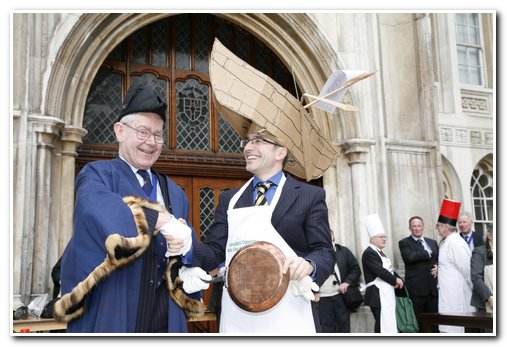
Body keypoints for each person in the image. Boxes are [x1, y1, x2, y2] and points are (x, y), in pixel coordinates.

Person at [59, 84, 204, 333]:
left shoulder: (175, 193)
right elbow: (96, 210)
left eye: (158, 135)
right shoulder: (97, 175)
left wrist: (188, 254)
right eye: (143, 132)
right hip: (113, 310)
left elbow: (187, 247)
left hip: (164, 315)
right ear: (120, 132)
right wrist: (156, 219)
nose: (151, 142)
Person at [188, 124, 335, 333]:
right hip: (239, 316)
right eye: (247, 141)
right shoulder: (230, 199)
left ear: (280, 152)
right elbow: (214, 252)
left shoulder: (309, 196)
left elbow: (324, 250)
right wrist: (186, 244)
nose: (248, 147)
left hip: (290, 312)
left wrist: (310, 265)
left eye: (257, 140)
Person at [436, 199, 474, 333]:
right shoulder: (447, 241)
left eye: (438, 225)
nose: (437, 228)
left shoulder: (456, 243)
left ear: (446, 227)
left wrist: (474, 292)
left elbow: (467, 269)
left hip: (457, 296)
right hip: (447, 294)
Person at [361, 214, 403, 333]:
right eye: (381, 237)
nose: (384, 239)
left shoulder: (380, 253)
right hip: (377, 294)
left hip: (385, 293)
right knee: (381, 324)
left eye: (385, 237)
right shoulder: (369, 253)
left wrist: (399, 279)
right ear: (372, 239)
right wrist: (395, 280)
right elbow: (380, 272)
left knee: (387, 323)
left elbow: (389, 270)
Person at [398, 216, 439, 332]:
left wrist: (439, 267)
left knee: (434, 323)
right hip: (416, 290)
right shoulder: (404, 243)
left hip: (433, 290)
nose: (417, 228)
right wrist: (428, 252)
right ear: (409, 228)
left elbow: (440, 259)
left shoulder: (433, 242)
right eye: (414, 226)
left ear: (423, 226)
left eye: (419, 225)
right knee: (419, 324)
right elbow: (410, 257)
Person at [318, 232, 362, 333]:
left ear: (333, 237)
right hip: (322, 298)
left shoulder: (344, 251)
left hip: (340, 295)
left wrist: (347, 282)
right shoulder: (315, 253)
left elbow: (355, 269)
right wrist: (314, 292)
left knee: (344, 324)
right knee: (326, 327)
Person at [470, 225, 493, 319]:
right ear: (489, 235)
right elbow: (476, 277)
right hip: (485, 302)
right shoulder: (479, 252)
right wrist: (490, 297)